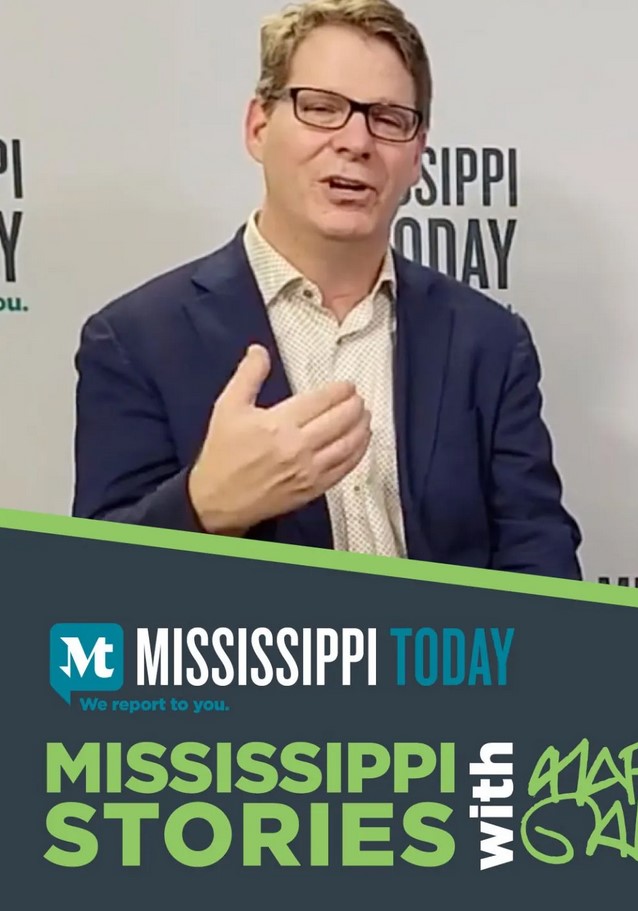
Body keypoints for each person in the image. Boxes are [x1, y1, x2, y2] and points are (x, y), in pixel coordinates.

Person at [72, 0, 582, 579]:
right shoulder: (136, 341)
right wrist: (203, 507)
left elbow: (540, 557)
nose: (357, 141)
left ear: (418, 154)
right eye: (321, 108)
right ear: (258, 127)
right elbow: (97, 589)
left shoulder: (488, 341)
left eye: (388, 118)